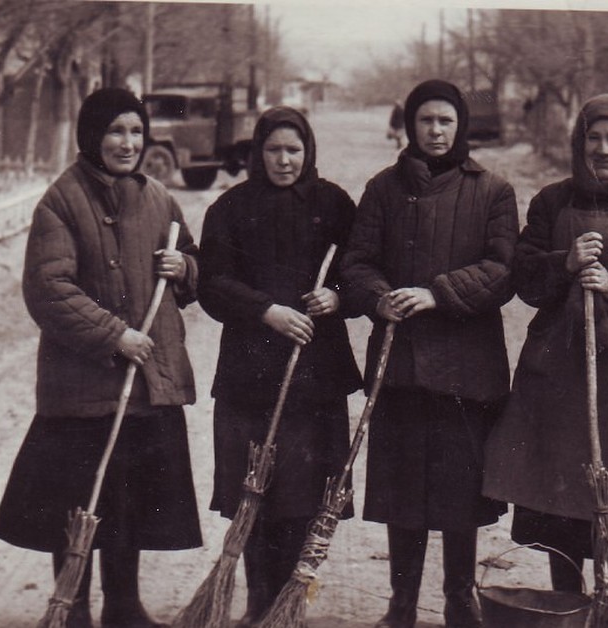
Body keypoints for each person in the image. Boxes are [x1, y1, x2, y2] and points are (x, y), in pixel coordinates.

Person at [0, 87, 202, 628]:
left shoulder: (158, 197)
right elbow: (48, 289)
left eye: (136, 131)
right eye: (115, 131)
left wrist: (186, 270)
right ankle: (74, 607)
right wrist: (115, 336)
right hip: (82, 386)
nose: (127, 143)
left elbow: (193, 261)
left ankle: (124, 607)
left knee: (130, 498)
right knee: (76, 499)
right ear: (92, 136)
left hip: (142, 386)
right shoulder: (61, 201)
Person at [482, 94, 608, 595]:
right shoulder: (553, 200)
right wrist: (565, 263)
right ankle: (565, 605)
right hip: (558, 371)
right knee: (557, 501)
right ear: (579, 141)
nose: (604, 148)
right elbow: (524, 280)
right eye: (593, 137)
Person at [340, 79, 519, 628]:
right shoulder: (383, 189)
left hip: (466, 365)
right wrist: (379, 297)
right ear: (410, 125)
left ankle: (460, 597)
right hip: (401, 362)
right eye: (426, 121)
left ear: (461, 125)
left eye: (446, 121)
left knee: (459, 489)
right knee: (403, 488)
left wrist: (436, 292)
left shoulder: (492, 190)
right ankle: (401, 601)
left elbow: (502, 269)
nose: (436, 131)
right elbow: (356, 262)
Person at [196, 106, 362, 627]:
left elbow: (359, 269)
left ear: (308, 151)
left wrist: (336, 297)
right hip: (252, 374)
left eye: (294, 150)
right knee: (256, 493)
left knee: (307, 495)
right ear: (257, 153)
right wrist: (266, 310)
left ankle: (293, 604)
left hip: (315, 373)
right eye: (274, 150)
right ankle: (256, 602)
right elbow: (212, 283)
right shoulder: (229, 208)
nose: (285, 160)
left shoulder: (334, 204)